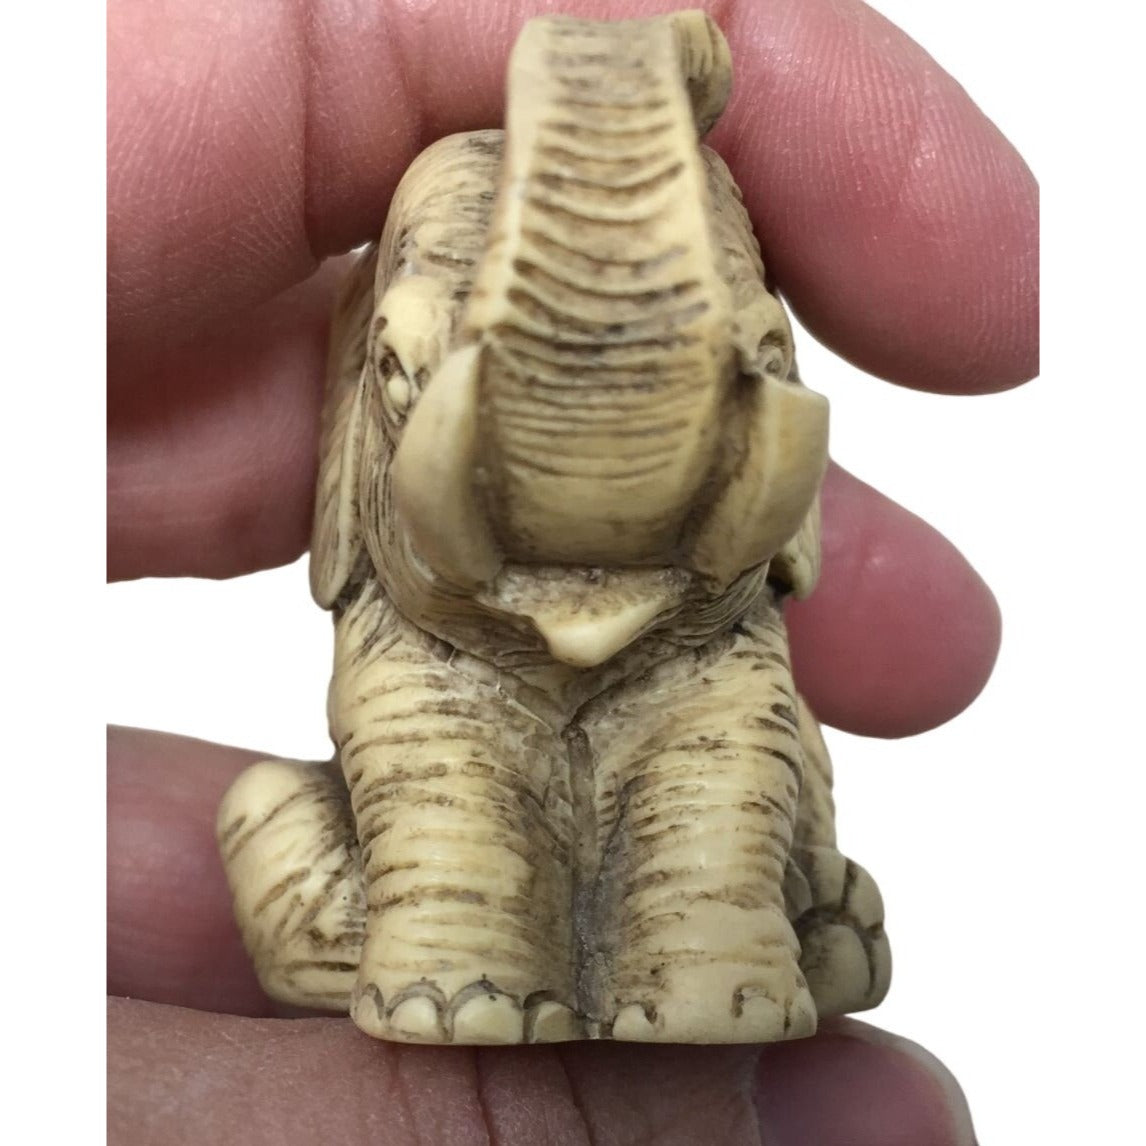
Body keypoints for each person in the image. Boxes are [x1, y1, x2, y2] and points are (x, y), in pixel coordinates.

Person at [107, 0, 1037, 1141]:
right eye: (407, 369)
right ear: (354, 423)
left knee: (735, 842)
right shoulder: (403, 635)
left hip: (703, 634)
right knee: (387, 886)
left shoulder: (732, 636)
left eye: (750, 359)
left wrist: (714, 935)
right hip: (441, 640)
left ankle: (753, 904)